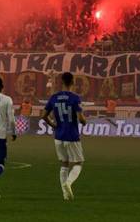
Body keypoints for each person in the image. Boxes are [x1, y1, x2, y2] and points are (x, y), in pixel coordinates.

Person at [41, 72, 86, 200]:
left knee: (64, 164)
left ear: (61, 82)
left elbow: (44, 115)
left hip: (58, 136)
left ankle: (66, 195)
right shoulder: (74, 98)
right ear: (72, 82)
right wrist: (84, 121)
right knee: (78, 163)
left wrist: (53, 125)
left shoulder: (54, 97)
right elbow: (81, 119)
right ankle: (68, 183)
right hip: (72, 135)